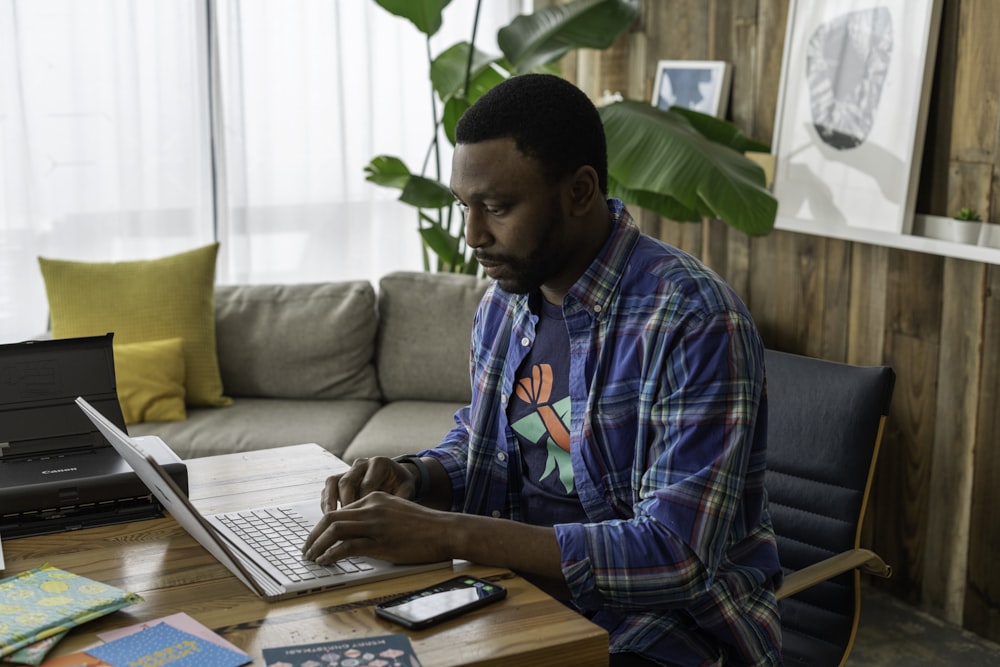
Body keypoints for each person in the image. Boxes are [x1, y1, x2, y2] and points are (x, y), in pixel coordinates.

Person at [303, 73, 782, 666]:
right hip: (515, 598)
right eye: (464, 207)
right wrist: (415, 479)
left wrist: (448, 533)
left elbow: (675, 556)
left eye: (498, 208)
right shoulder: (504, 304)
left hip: (666, 634)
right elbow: (491, 447)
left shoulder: (693, 320)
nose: (473, 235)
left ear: (580, 191)